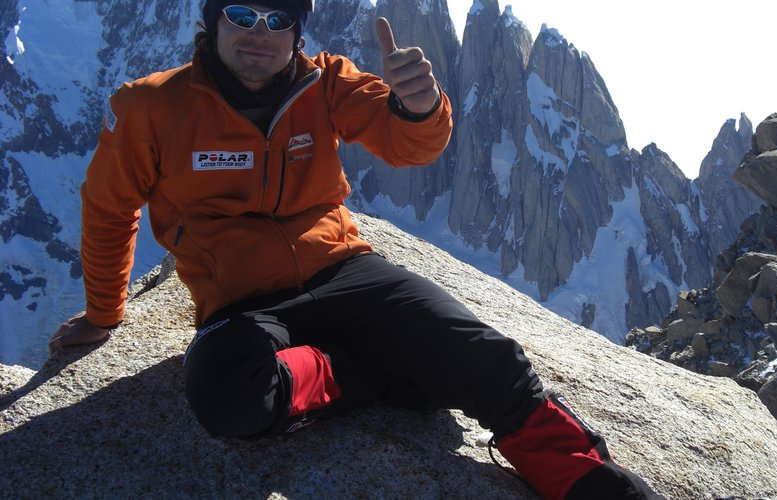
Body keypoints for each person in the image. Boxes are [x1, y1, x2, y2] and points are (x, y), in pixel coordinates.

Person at [49, 1, 661, 498]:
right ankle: (375, 373)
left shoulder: (326, 83)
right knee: (228, 395)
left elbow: (407, 145)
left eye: (277, 19)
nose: (259, 33)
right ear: (212, 22)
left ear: (296, 32)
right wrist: (105, 314)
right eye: (241, 14)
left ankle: (593, 485)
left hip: (346, 270)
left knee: (489, 360)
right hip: (243, 302)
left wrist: (419, 106)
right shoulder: (152, 106)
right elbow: (108, 209)